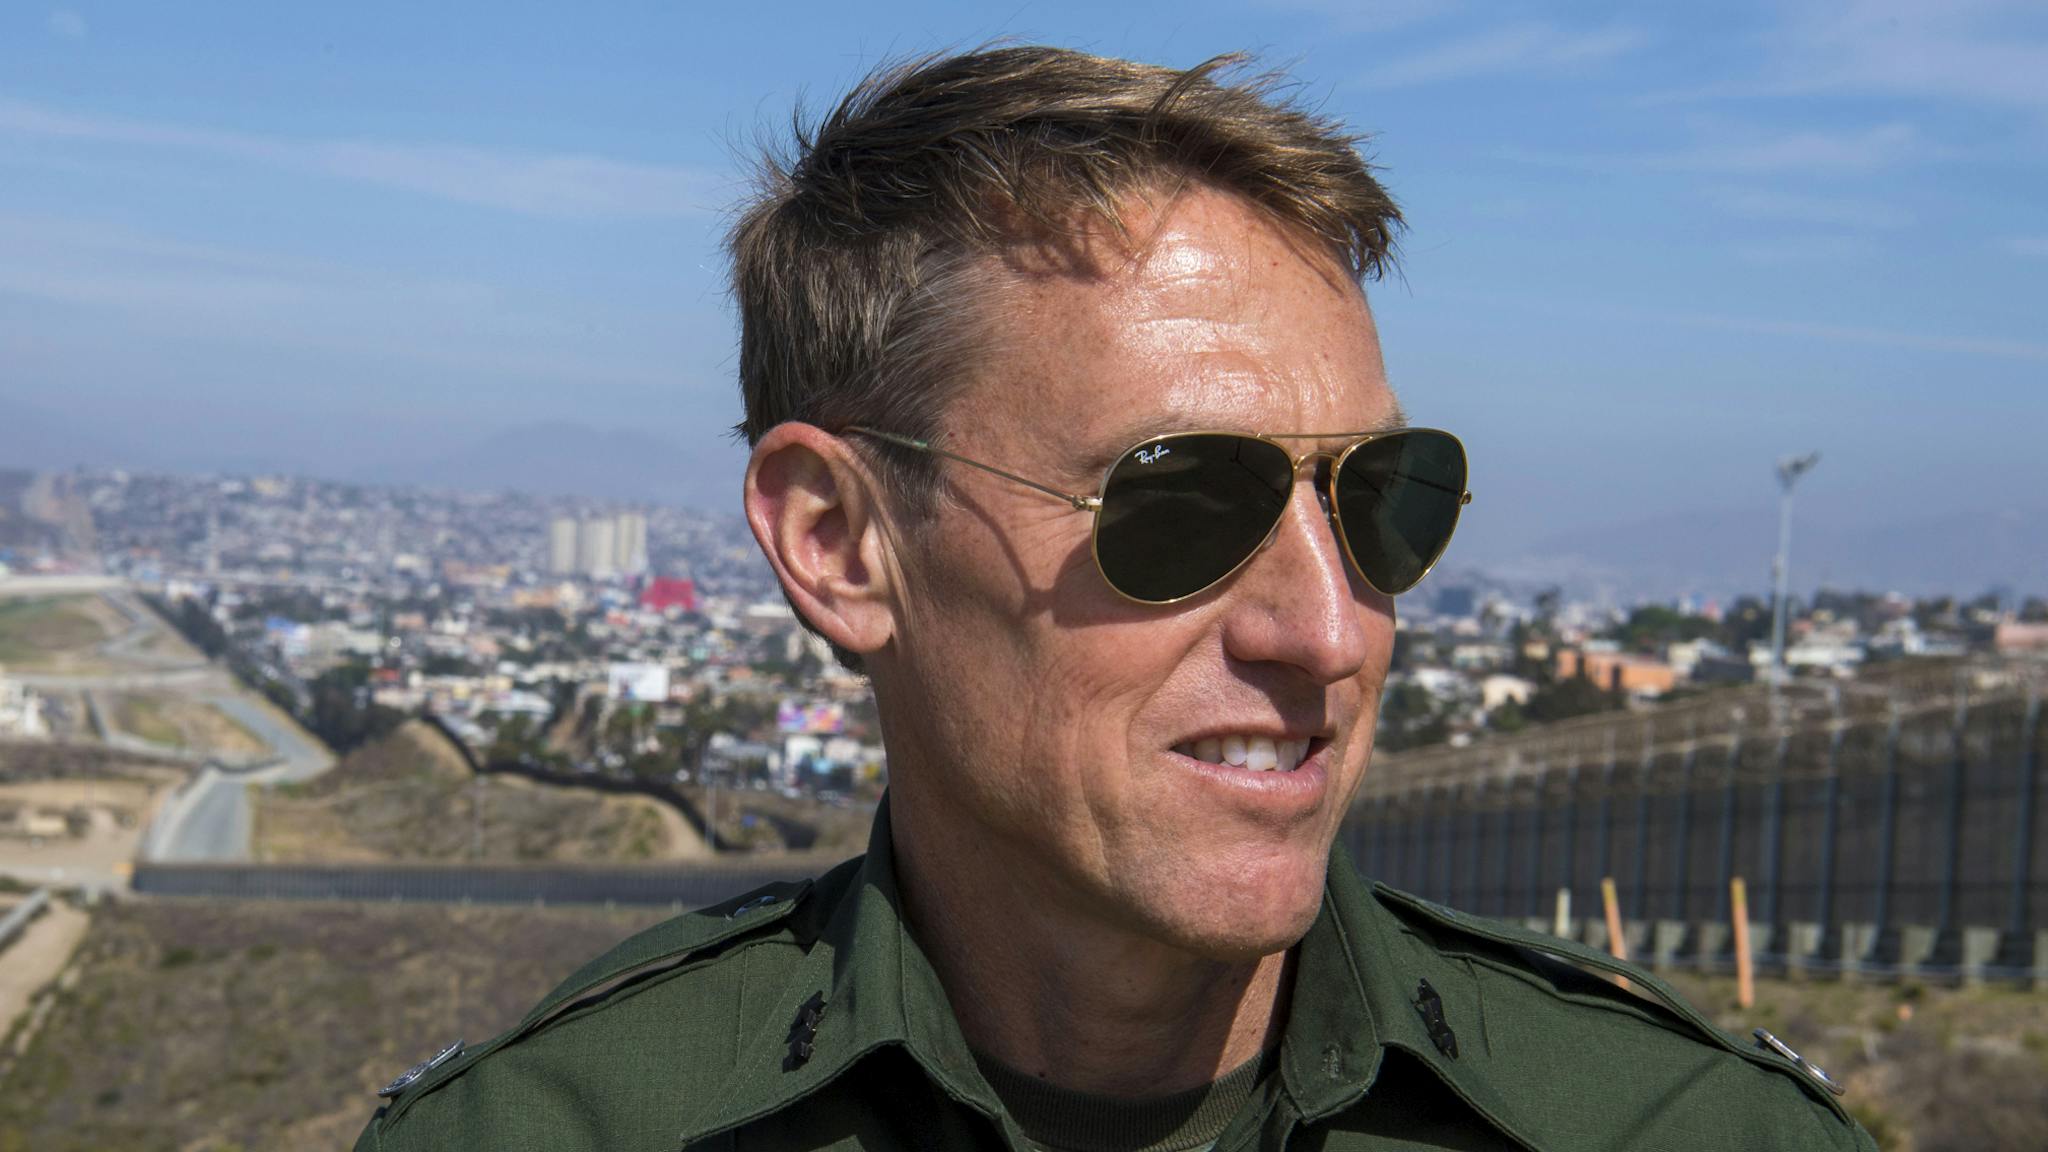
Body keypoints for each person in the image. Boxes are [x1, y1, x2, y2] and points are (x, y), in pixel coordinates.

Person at [355, 46, 1873, 1151]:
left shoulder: (1675, 1128)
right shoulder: (561, 1132)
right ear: (837, 541)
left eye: (1377, 499)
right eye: (1177, 505)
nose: (1329, 632)